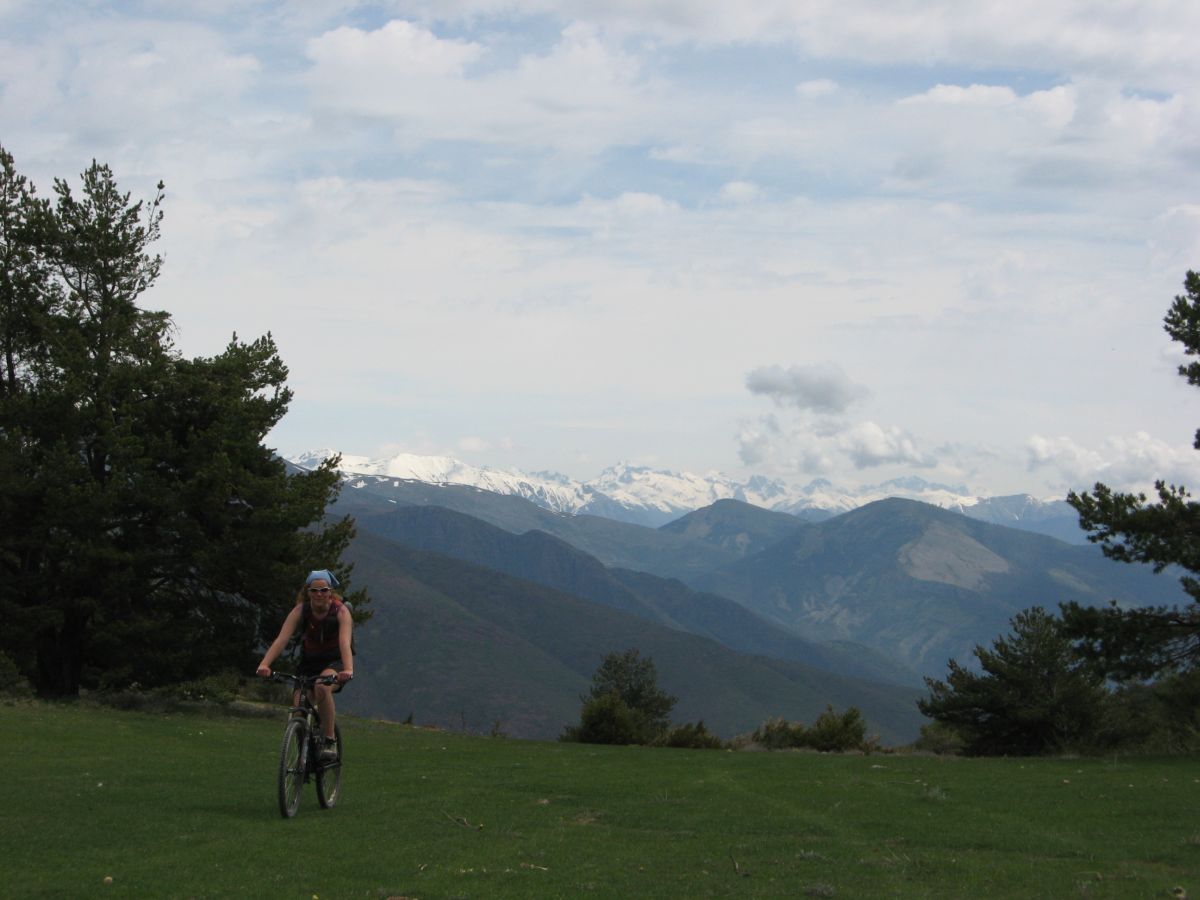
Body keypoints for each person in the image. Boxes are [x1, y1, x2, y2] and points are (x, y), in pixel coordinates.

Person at [257, 569, 354, 760]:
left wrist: (348, 669)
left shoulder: (341, 611)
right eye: (314, 590)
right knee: (299, 708)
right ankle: (304, 756)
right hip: (309, 661)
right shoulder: (301, 610)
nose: (319, 594)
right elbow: (282, 639)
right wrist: (265, 664)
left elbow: (345, 643)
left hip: (336, 661)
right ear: (307, 592)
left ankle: (329, 739)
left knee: (321, 687)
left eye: (324, 590)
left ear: (330, 592)